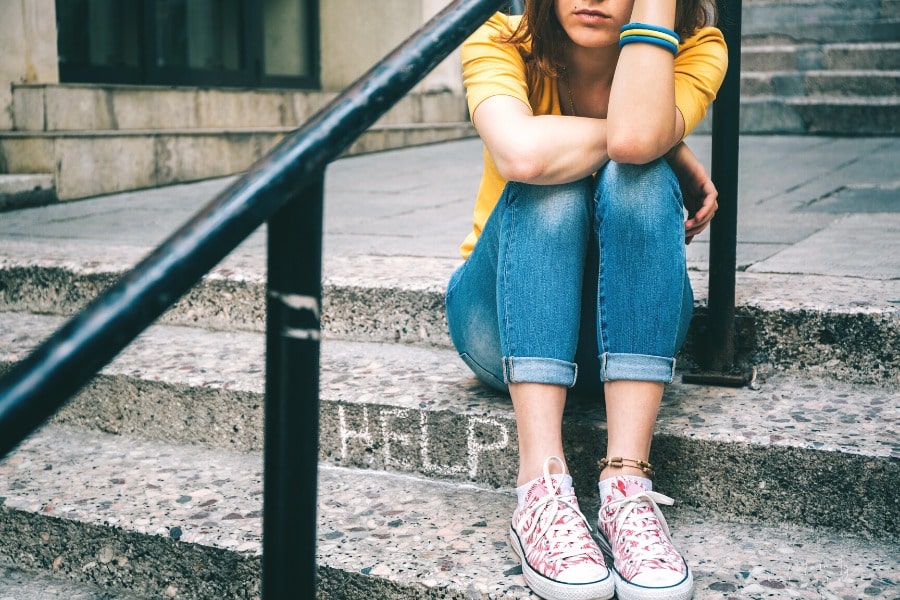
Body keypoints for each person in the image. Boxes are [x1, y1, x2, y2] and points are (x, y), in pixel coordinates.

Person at [445, 1, 727, 599]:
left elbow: (628, 148)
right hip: (500, 322)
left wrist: (646, 146)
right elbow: (521, 153)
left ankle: (626, 486)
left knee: (638, 174)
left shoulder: (697, 46)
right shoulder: (501, 37)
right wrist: (664, 143)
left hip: (625, 330)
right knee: (560, 180)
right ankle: (539, 487)